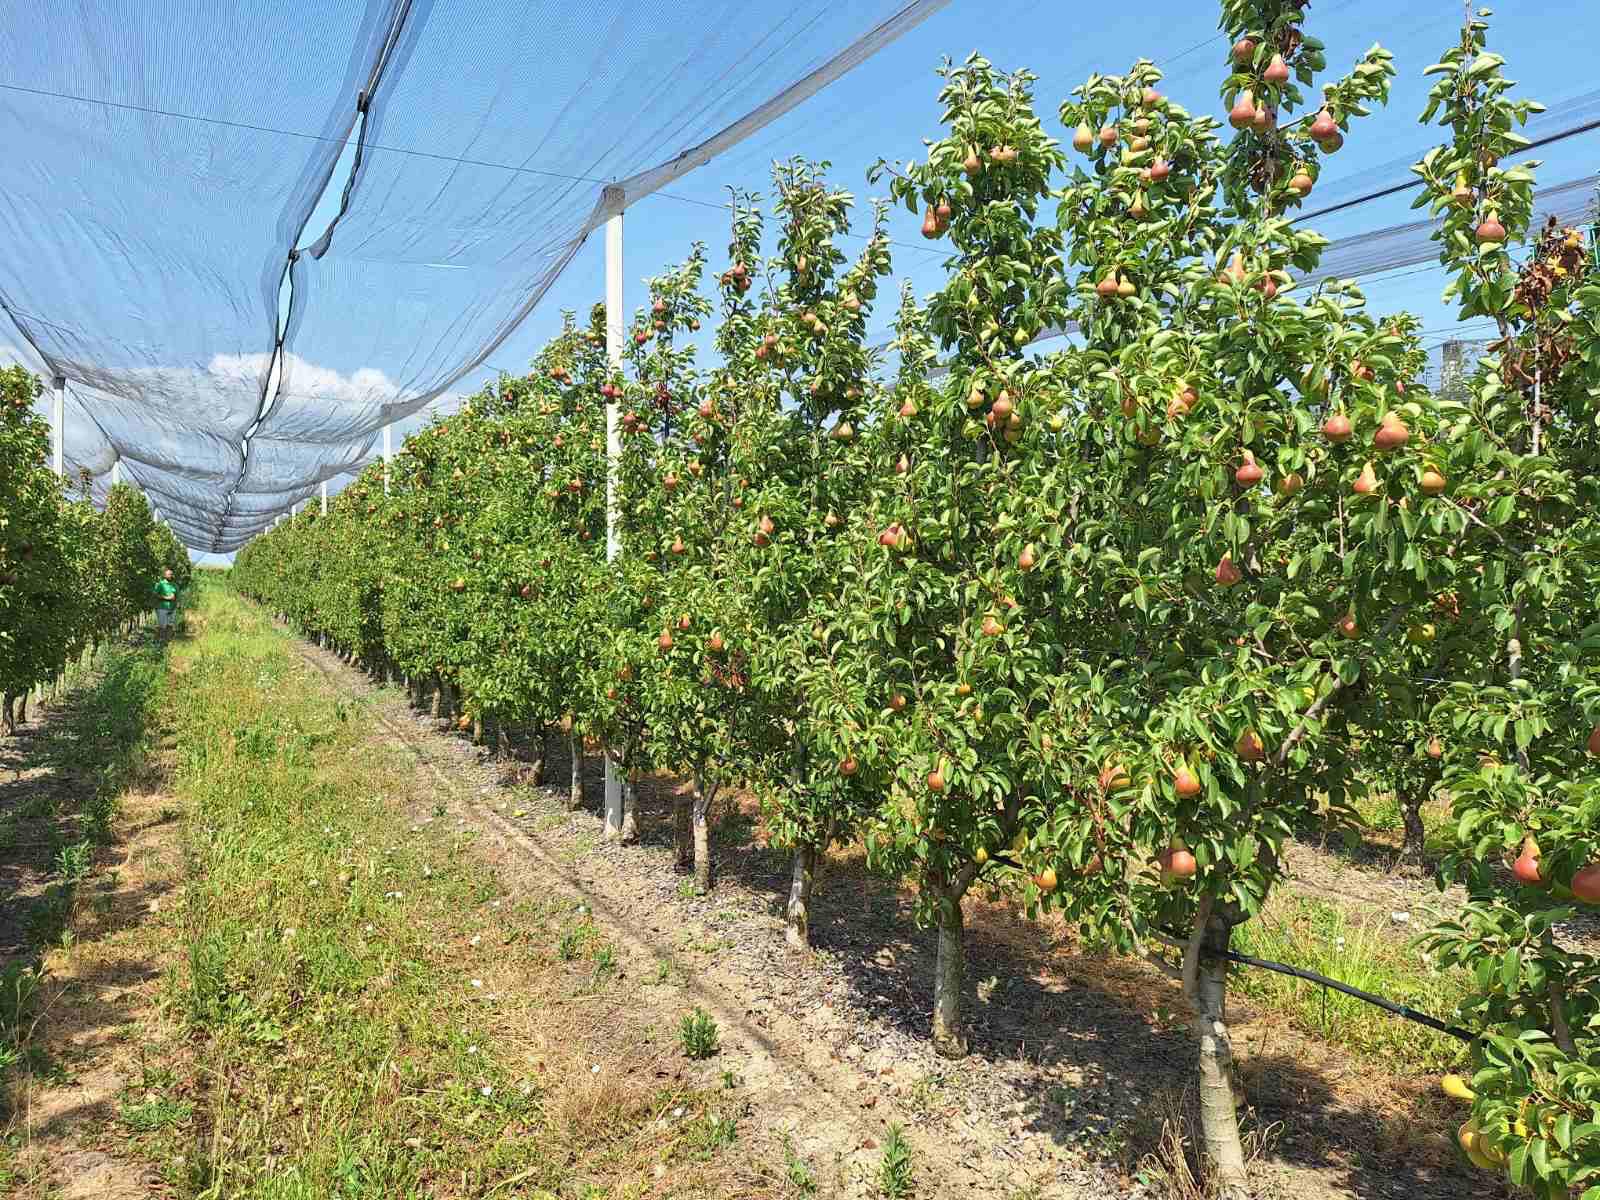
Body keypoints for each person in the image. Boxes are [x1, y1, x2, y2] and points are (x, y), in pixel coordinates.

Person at [152, 568, 180, 636]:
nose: (170, 575)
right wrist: (166, 598)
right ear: (164, 575)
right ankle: (161, 640)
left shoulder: (175, 585)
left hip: (172, 608)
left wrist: (178, 604)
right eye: (169, 574)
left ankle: (168, 640)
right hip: (162, 607)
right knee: (162, 626)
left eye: (171, 574)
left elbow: (177, 596)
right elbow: (155, 594)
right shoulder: (160, 584)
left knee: (170, 625)